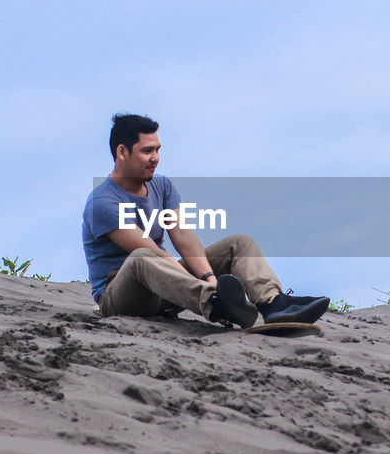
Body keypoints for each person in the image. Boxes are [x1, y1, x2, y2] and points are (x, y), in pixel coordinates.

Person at [82, 113, 329, 328]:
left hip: (166, 286)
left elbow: (182, 237)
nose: (155, 158)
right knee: (144, 257)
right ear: (122, 152)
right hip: (122, 297)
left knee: (239, 243)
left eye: (157, 150)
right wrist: (211, 289)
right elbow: (150, 250)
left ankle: (275, 305)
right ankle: (215, 303)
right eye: (147, 151)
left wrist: (209, 276)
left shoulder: (162, 185)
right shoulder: (102, 202)